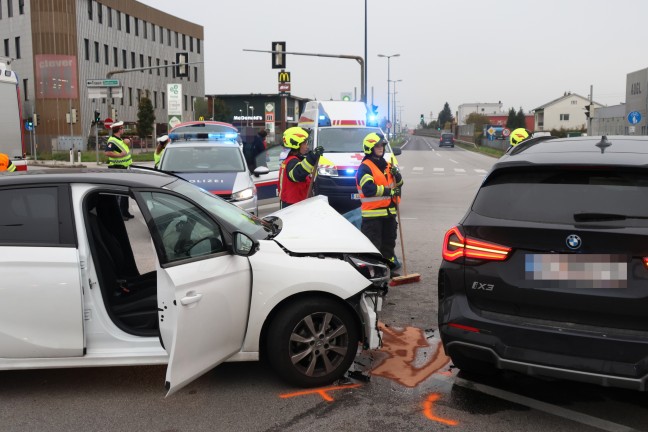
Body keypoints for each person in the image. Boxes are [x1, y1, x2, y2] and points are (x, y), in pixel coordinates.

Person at [356, 132, 403, 271]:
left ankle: (387, 271)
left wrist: (397, 175)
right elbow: (368, 189)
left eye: (382, 145)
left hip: (389, 214)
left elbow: (400, 184)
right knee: (373, 247)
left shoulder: (388, 165)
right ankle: (374, 274)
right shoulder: (365, 167)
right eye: (377, 146)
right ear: (370, 148)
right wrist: (389, 192)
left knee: (388, 246)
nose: (381, 148)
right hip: (373, 217)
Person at [278, 127, 323, 208]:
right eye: (305, 143)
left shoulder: (289, 160)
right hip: (294, 207)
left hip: (292, 205)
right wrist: (312, 157)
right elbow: (297, 174)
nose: (307, 146)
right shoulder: (292, 162)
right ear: (296, 144)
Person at [105, 121, 134, 220]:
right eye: (122, 128)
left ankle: (125, 212)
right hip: (117, 168)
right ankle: (120, 214)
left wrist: (128, 141)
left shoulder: (119, 139)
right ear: (119, 129)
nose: (123, 130)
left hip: (123, 168)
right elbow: (107, 153)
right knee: (119, 193)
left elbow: (125, 149)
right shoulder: (112, 140)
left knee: (125, 192)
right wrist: (119, 155)